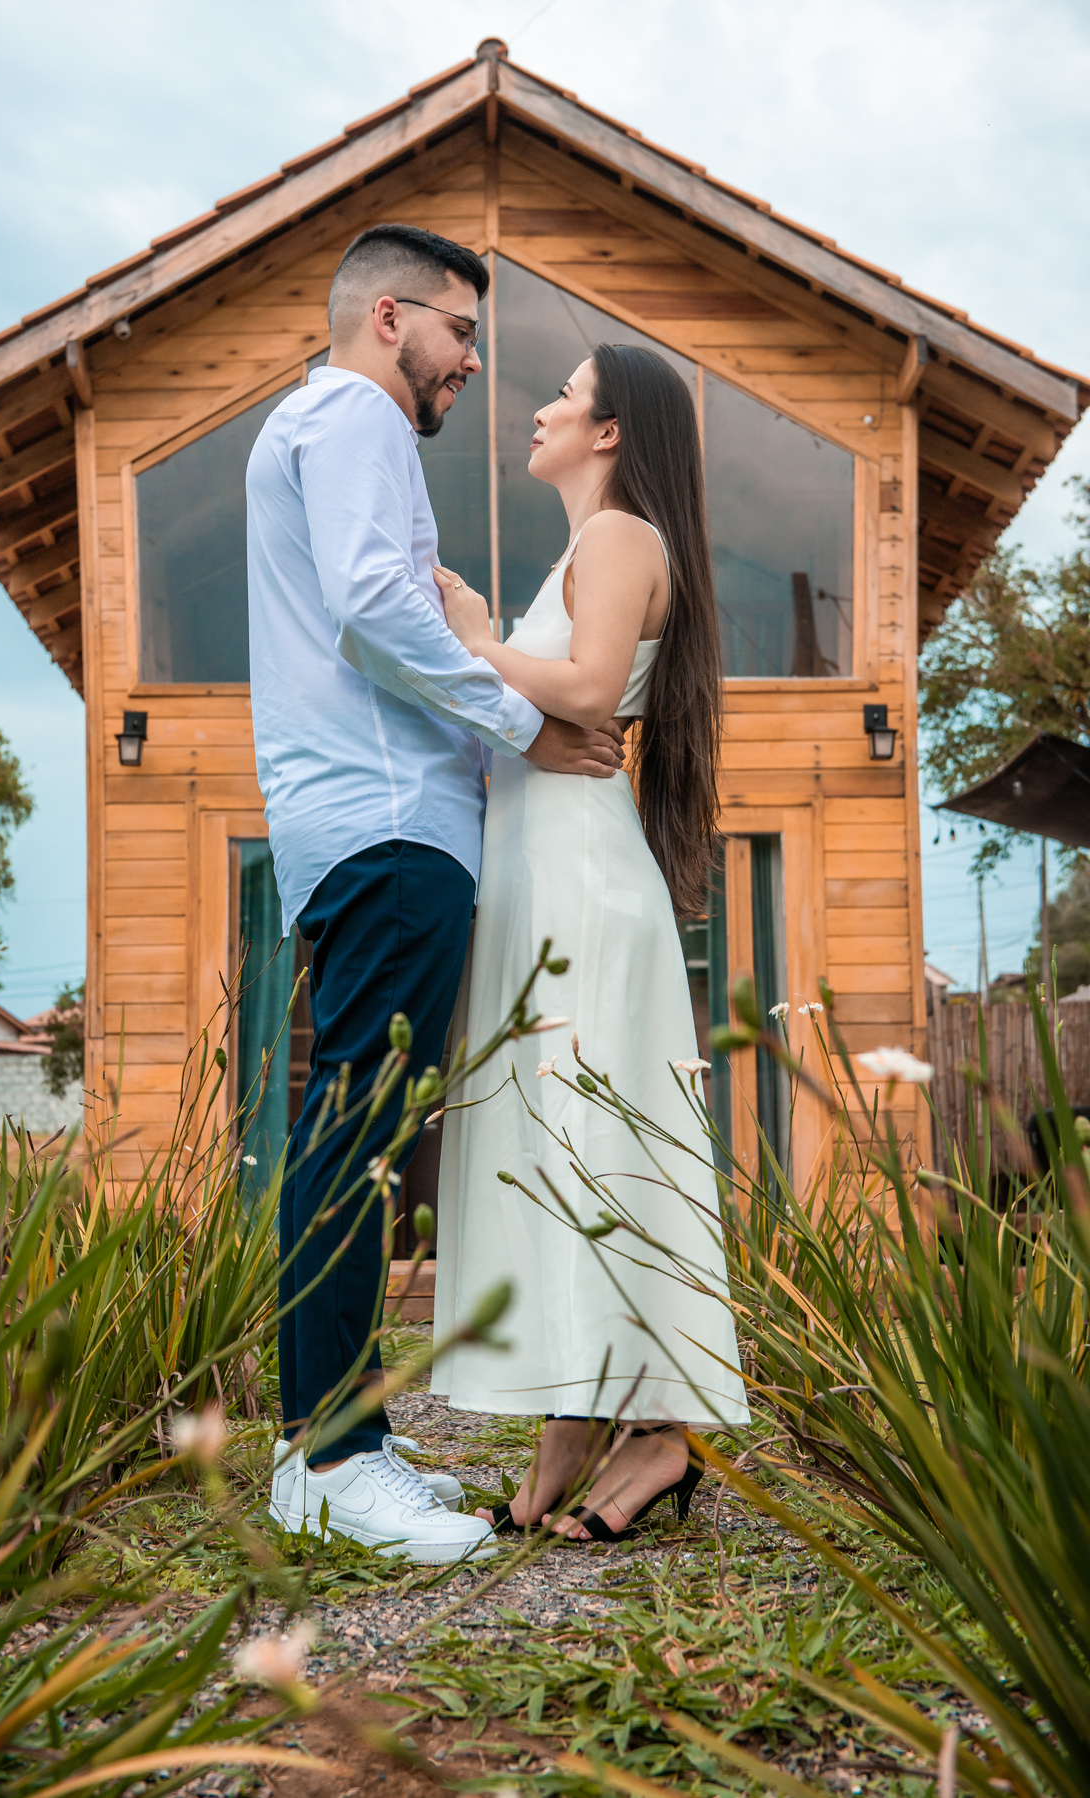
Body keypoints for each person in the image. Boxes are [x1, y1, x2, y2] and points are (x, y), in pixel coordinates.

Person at [246, 223, 627, 1563]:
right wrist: (523, 729)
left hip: (371, 820)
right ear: (391, 316)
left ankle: (336, 1431)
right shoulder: (350, 414)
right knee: (351, 1130)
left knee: (351, 1122)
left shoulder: (323, 428)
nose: (474, 362)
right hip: (389, 821)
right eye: (463, 330)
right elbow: (369, 604)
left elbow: (377, 607)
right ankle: (330, 1464)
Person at [430, 342, 751, 1542]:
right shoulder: (590, 545)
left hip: (577, 879)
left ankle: (659, 1428)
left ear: (610, 431)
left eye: (562, 394)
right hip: (541, 873)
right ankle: (578, 1406)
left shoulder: (620, 540)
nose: (540, 408)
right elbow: (555, 700)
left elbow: (590, 680)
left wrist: (468, 635)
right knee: (554, 1131)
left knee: (596, 1132)